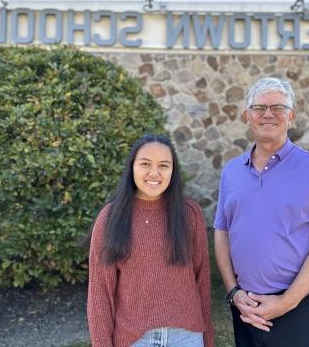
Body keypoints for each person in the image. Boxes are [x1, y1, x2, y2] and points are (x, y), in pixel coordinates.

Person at [214, 77, 309, 347]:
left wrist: (285, 302)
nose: (268, 114)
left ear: (291, 116)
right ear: (247, 116)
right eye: (259, 108)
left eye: (278, 107)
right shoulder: (231, 172)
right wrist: (233, 292)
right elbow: (222, 232)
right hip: (246, 307)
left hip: (301, 309)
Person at [88, 134, 215, 347]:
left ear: (173, 171)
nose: (154, 173)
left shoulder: (189, 214)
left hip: (186, 337)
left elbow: (202, 281)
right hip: (134, 339)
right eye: (145, 164)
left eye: (164, 165)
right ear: (132, 168)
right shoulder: (111, 218)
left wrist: (208, 340)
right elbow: (100, 293)